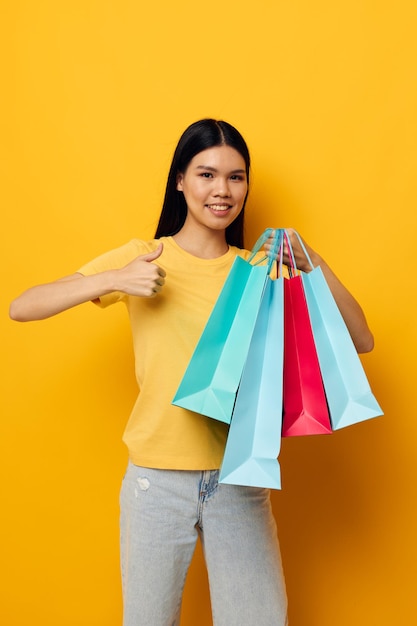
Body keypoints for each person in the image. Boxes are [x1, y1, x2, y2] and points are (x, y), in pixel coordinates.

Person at [9, 119, 374, 626]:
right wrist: (116, 277)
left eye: (236, 177)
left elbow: (360, 340)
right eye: (206, 174)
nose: (222, 190)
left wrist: (312, 261)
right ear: (180, 180)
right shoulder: (145, 257)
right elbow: (22, 307)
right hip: (156, 485)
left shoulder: (261, 272)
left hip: (240, 481)